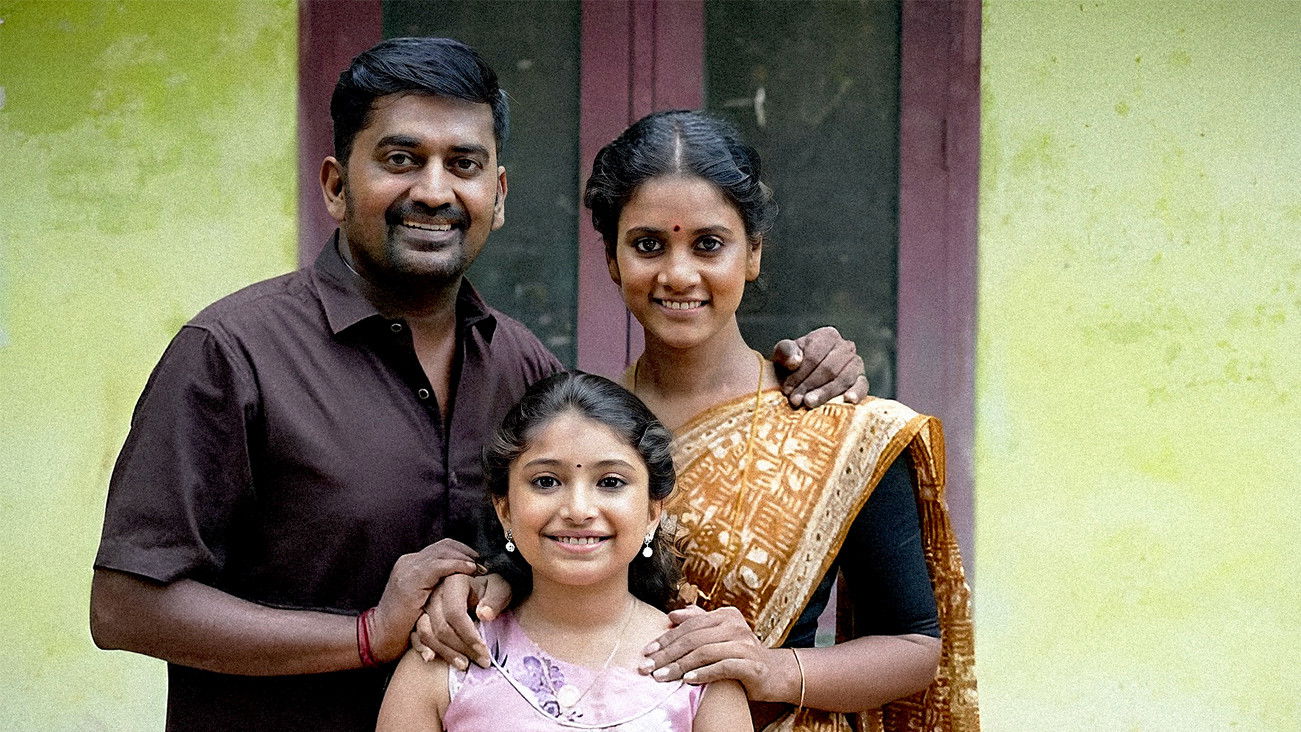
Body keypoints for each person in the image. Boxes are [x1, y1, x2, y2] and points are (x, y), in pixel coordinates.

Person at [89, 38, 865, 731]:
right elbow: (124, 607)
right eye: (400, 159)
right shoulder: (234, 354)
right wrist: (365, 635)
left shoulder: (520, 366)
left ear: (497, 195)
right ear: (334, 185)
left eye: (462, 165)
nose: (434, 191)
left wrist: (801, 366)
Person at [420, 110, 978, 731]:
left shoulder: (841, 431)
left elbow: (914, 646)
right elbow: (520, 576)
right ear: (612, 258)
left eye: (708, 244)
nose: (678, 274)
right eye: (647, 245)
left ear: (753, 252)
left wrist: (770, 669)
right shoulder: (572, 429)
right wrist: (484, 587)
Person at [378, 372, 751, 730]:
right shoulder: (447, 663)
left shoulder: (698, 669)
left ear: (654, 511)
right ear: (504, 508)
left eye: (610, 482)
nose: (578, 510)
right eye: (546, 481)